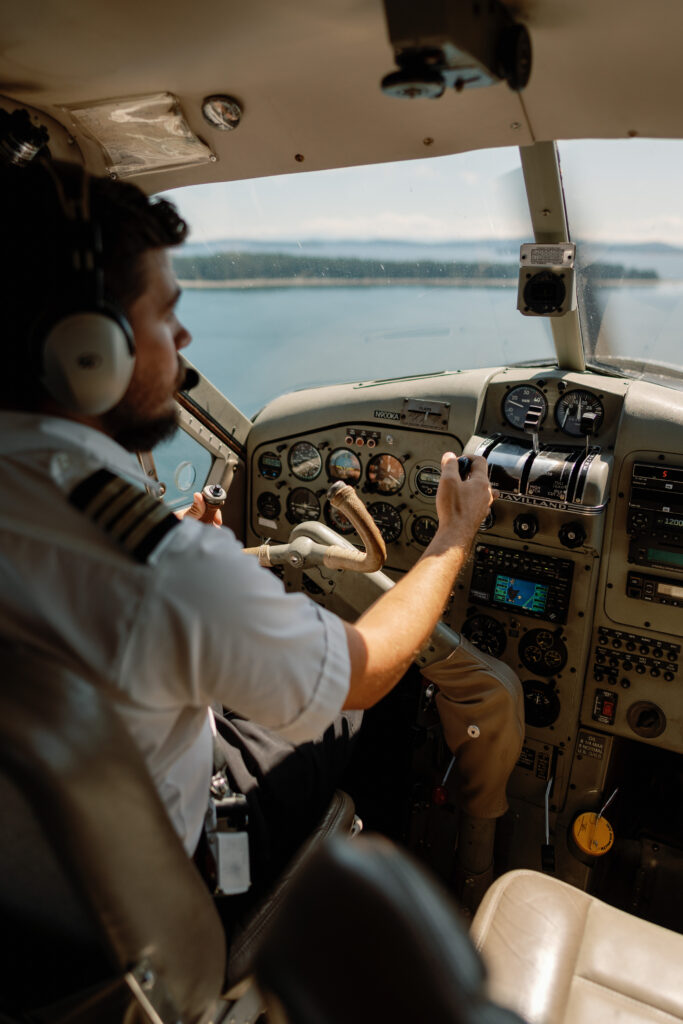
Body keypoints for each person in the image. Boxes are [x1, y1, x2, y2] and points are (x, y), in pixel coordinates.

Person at [0, 156, 496, 945]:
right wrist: (450, 537)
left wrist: (196, 563)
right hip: (152, 887)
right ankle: (370, 930)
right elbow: (363, 669)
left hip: (31, 887)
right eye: (166, 313)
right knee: (387, 694)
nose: (185, 336)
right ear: (87, 352)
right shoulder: (158, 569)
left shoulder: (124, 542)